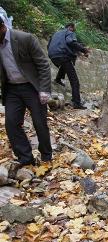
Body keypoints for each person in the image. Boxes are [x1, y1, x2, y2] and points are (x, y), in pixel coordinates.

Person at [0, 16, 52, 167]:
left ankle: (46, 155)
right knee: (11, 123)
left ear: (2, 27)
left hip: (31, 86)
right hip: (11, 89)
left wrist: (44, 90)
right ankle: (25, 157)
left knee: (39, 122)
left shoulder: (24, 38)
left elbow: (43, 64)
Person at [47, 23, 89, 109]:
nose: (74, 31)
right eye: (74, 29)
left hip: (52, 55)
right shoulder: (69, 32)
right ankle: (77, 103)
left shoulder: (56, 34)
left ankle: (58, 79)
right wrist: (84, 50)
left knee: (65, 64)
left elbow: (48, 46)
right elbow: (70, 42)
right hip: (62, 55)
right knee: (74, 81)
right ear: (70, 27)